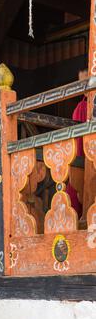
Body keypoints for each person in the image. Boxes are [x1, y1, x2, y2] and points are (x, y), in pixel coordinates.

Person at [66, 68, 88, 218]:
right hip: (81, 162)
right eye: (81, 83)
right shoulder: (80, 108)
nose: (84, 87)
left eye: (87, 81)